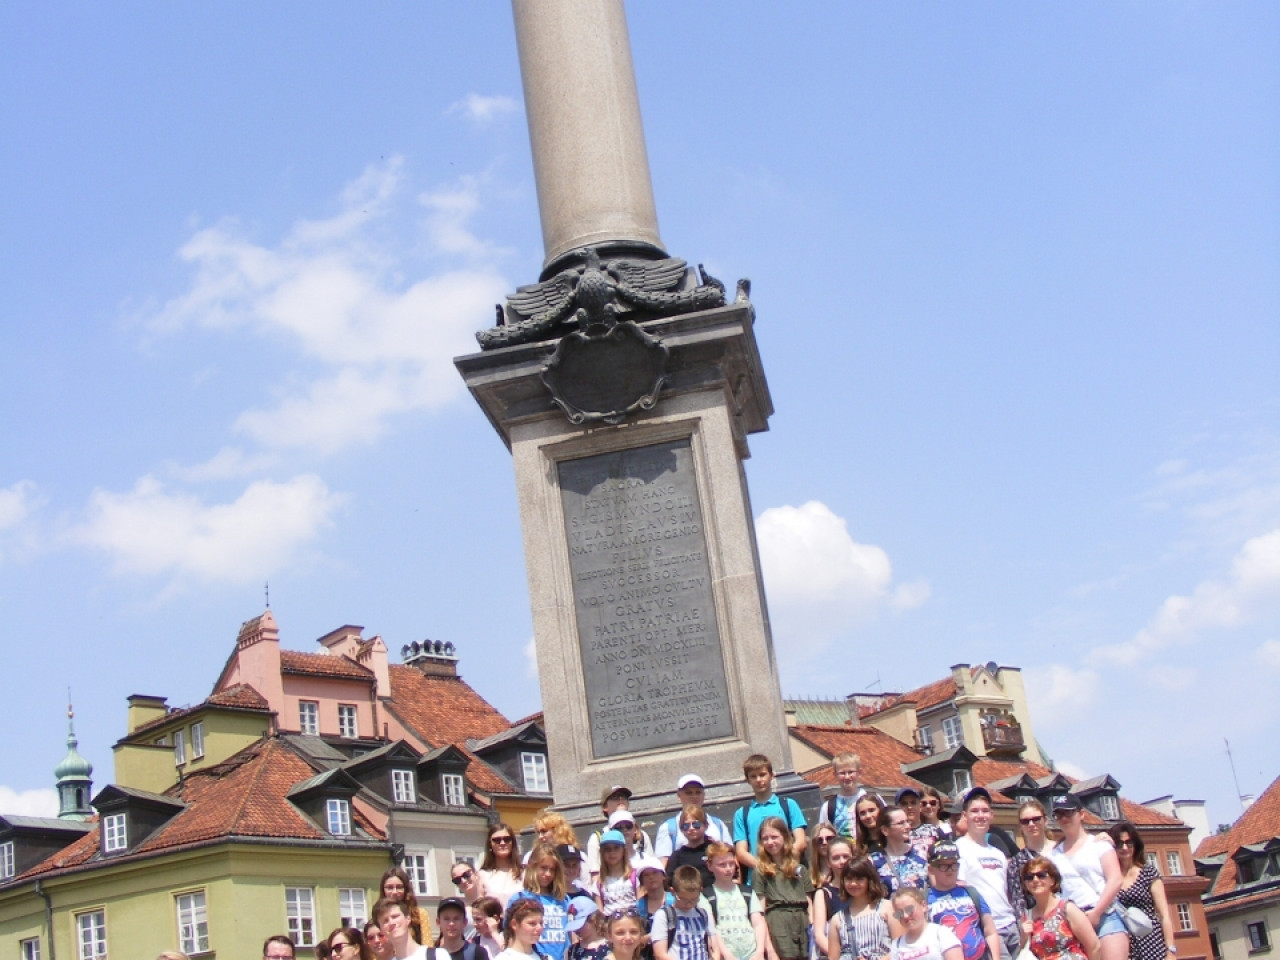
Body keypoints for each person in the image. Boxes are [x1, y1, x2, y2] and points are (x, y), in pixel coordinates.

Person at [1047, 796, 1127, 960]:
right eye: (1059, 814)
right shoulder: (1054, 854)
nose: (1063, 818)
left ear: (1081, 814)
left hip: (1106, 915)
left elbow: (1115, 879)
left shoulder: (1099, 844)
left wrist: (1097, 912)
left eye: (1068, 813)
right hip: (1074, 922)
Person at [955, 790, 1020, 960]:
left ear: (992, 815)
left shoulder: (998, 853)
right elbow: (959, 889)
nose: (980, 816)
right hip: (987, 928)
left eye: (985, 811)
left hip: (1012, 925)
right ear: (965, 815)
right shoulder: (959, 849)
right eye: (974, 811)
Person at [734, 754, 808, 882]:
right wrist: (765, 868)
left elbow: (800, 841)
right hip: (759, 878)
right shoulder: (741, 814)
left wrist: (783, 865)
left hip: (789, 875)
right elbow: (741, 852)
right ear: (748, 780)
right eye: (753, 776)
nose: (758, 780)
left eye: (762, 774)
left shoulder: (788, 805)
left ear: (771, 775)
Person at [1109, 822, 1175, 960]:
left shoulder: (1148, 873)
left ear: (1136, 844)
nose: (1124, 847)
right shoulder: (1109, 877)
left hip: (1151, 941)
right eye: (1119, 844)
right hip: (1124, 944)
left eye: (1129, 842)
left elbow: (1164, 915)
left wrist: (1171, 951)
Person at [924, 841, 999, 960]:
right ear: (931, 869)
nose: (950, 870)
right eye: (943, 866)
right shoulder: (923, 899)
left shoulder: (972, 893)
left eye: (954, 865)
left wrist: (995, 957)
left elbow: (990, 930)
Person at [753, 816, 813, 960]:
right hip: (778, 924)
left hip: (802, 923)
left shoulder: (800, 869)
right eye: (765, 838)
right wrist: (768, 947)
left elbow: (809, 904)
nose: (770, 842)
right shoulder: (761, 871)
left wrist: (813, 929)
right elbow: (760, 912)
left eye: (774, 837)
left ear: (785, 837)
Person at [1020, 858, 1100, 960]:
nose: (1035, 880)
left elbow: (1094, 946)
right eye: (1029, 877)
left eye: (1041, 875)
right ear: (1026, 884)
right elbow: (1025, 953)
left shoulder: (1067, 909)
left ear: (1052, 881)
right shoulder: (1027, 917)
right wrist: (1024, 937)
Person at [704, 841, 768, 960]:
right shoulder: (707, 896)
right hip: (726, 955)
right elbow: (711, 928)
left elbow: (758, 923)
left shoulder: (747, 892)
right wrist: (726, 954)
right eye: (722, 865)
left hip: (752, 954)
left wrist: (759, 951)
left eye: (731, 864)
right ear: (709, 866)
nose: (728, 869)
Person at [510, 842, 574, 960]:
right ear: (532, 866)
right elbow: (509, 936)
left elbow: (572, 933)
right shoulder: (520, 898)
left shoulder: (564, 899)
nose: (548, 874)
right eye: (543, 868)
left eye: (552, 870)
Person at [827, 857, 898, 960]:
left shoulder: (889, 907)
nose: (853, 884)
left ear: (870, 880)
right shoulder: (837, 919)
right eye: (849, 879)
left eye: (859, 879)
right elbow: (833, 957)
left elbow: (901, 948)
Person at [652, 864, 727, 960]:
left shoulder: (704, 915)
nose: (688, 904)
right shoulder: (664, 916)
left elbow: (715, 949)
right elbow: (660, 954)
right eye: (683, 899)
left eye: (694, 899)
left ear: (700, 891)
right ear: (673, 892)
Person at [657, 775, 732, 865]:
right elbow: (663, 864)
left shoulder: (718, 824)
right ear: (679, 795)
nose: (694, 796)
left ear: (704, 795)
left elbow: (731, 856)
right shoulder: (668, 828)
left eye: (698, 792)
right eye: (688, 793)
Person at [813, 837, 858, 960]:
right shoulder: (823, 894)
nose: (842, 861)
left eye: (845, 856)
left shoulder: (865, 887)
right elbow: (819, 935)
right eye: (836, 858)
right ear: (828, 862)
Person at [889, 888, 963, 960]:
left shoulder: (941, 934)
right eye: (899, 913)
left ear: (923, 906)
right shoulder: (897, 945)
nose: (905, 916)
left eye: (909, 909)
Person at [871, 806, 929, 894]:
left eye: (907, 821)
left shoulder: (922, 851)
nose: (908, 826)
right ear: (885, 830)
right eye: (901, 823)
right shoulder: (875, 861)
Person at [1008, 801, 1050, 915]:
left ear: (1045, 820)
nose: (1031, 824)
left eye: (1036, 819)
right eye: (1025, 821)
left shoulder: (1062, 849)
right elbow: (1018, 900)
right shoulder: (1017, 861)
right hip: (1039, 919)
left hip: (1072, 912)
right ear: (1020, 826)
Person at [818, 754, 869, 841]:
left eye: (851, 772)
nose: (847, 777)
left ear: (859, 772)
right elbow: (823, 836)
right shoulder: (828, 807)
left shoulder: (871, 799)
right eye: (842, 773)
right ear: (835, 775)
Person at [383, 865, 434, 947]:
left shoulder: (420, 914)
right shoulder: (379, 918)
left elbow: (428, 947)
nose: (395, 892)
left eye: (399, 887)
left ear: (406, 889)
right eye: (390, 887)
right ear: (383, 890)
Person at [667, 804, 716, 889]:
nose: (691, 828)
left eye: (696, 824)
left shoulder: (716, 850)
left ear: (706, 825)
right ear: (681, 829)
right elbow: (670, 883)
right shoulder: (677, 856)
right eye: (686, 826)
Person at [481, 823, 526, 909]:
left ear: (513, 843)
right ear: (490, 844)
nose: (502, 843)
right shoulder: (482, 875)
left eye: (507, 839)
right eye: (496, 840)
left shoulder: (525, 873)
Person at [598, 828, 639, 914]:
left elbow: (641, 906)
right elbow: (600, 915)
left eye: (616, 848)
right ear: (602, 852)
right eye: (607, 849)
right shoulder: (599, 883)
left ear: (624, 850)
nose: (612, 853)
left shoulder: (635, 876)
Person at [637, 854, 677, 926]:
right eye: (646, 875)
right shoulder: (638, 906)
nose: (651, 877)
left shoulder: (675, 902)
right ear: (642, 881)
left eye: (655, 872)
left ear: (663, 876)